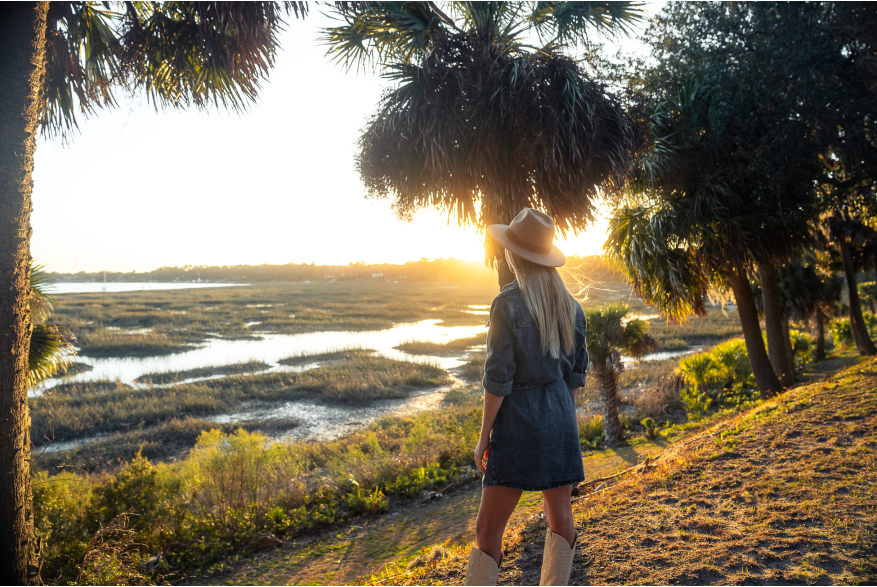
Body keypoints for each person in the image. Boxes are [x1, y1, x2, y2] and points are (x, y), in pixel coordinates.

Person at [463, 208, 588, 587]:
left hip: (517, 425)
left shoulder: (506, 304)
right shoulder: (573, 307)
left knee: (487, 531)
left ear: (513, 254)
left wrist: (483, 437)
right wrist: (557, 411)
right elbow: (575, 377)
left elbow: (497, 380)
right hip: (561, 419)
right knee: (560, 518)